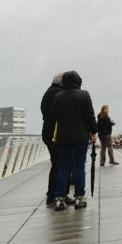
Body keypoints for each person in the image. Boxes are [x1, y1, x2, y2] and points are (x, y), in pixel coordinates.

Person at [51, 71, 97, 210]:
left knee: (63, 168)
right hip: (81, 136)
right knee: (79, 166)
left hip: (63, 137)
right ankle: (79, 198)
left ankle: (59, 199)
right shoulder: (84, 95)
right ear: (78, 81)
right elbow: (90, 115)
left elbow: (53, 116)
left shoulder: (57, 96)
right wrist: (93, 132)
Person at [41, 72, 70, 206]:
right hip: (55, 134)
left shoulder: (49, 92)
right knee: (60, 165)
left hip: (48, 132)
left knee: (57, 164)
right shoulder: (58, 94)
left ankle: (58, 194)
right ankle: (54, 195)